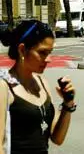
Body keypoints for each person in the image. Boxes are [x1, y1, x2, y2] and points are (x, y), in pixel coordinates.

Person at [0, 20, 77, 153]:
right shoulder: (4, 86)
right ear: (22, 50)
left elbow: (57, 138)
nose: (48, 59)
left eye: (50, 52)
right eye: (42, 53)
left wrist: (67, 104)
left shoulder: (42, 82)